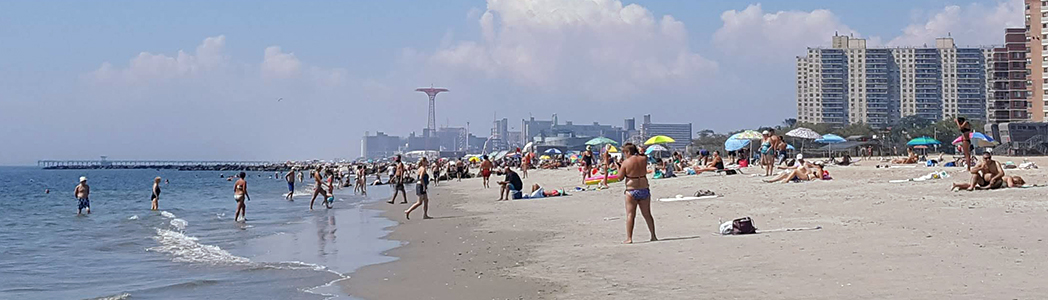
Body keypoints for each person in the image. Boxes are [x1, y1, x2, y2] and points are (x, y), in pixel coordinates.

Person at [619, 143, 656, 244]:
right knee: (647, 214)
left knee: (630, 215)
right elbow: (643, 154)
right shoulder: (643, 159)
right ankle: (653, 235)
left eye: (624, 153)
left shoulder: (626, 162)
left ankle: (629, 238)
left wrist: (619, 166)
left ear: (627, 152)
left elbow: (620, 177)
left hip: (632, 189)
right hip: (644, 188)